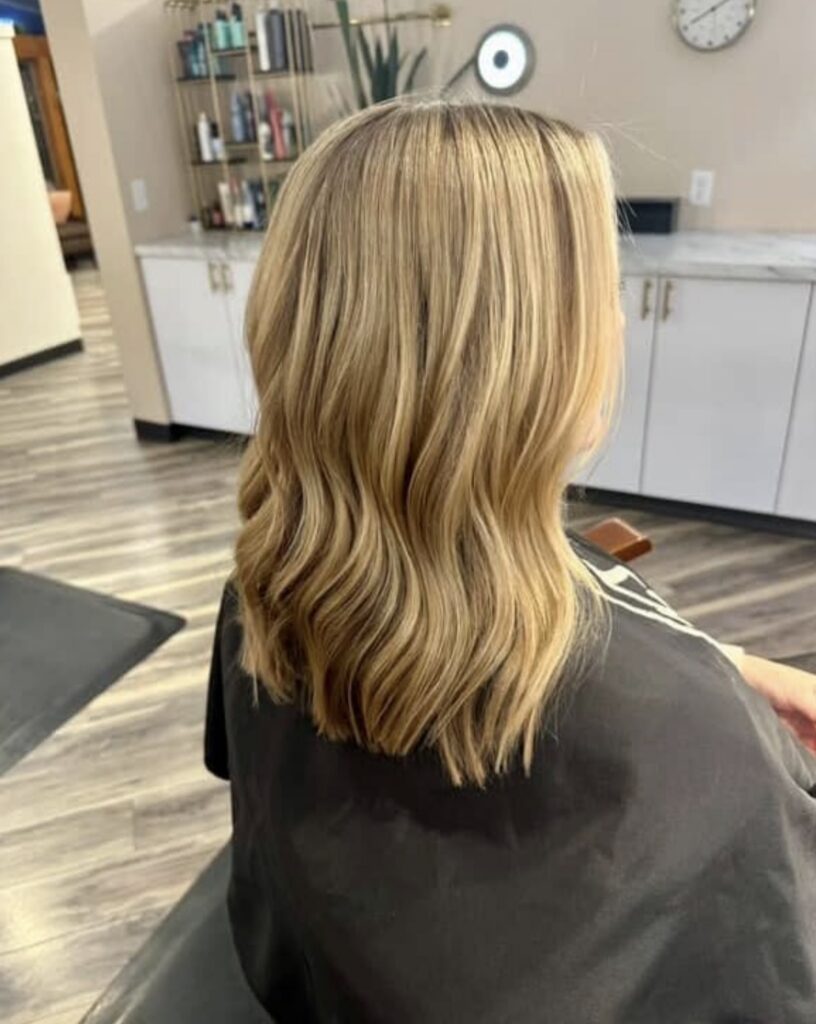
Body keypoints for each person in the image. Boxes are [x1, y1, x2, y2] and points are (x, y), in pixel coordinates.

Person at [204, 100, 816, 1023]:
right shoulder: (698, 755)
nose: (615, 319)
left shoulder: (270, 584)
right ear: (532, 354)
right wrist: (706, 709)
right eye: (600, 291)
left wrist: (713, 669)